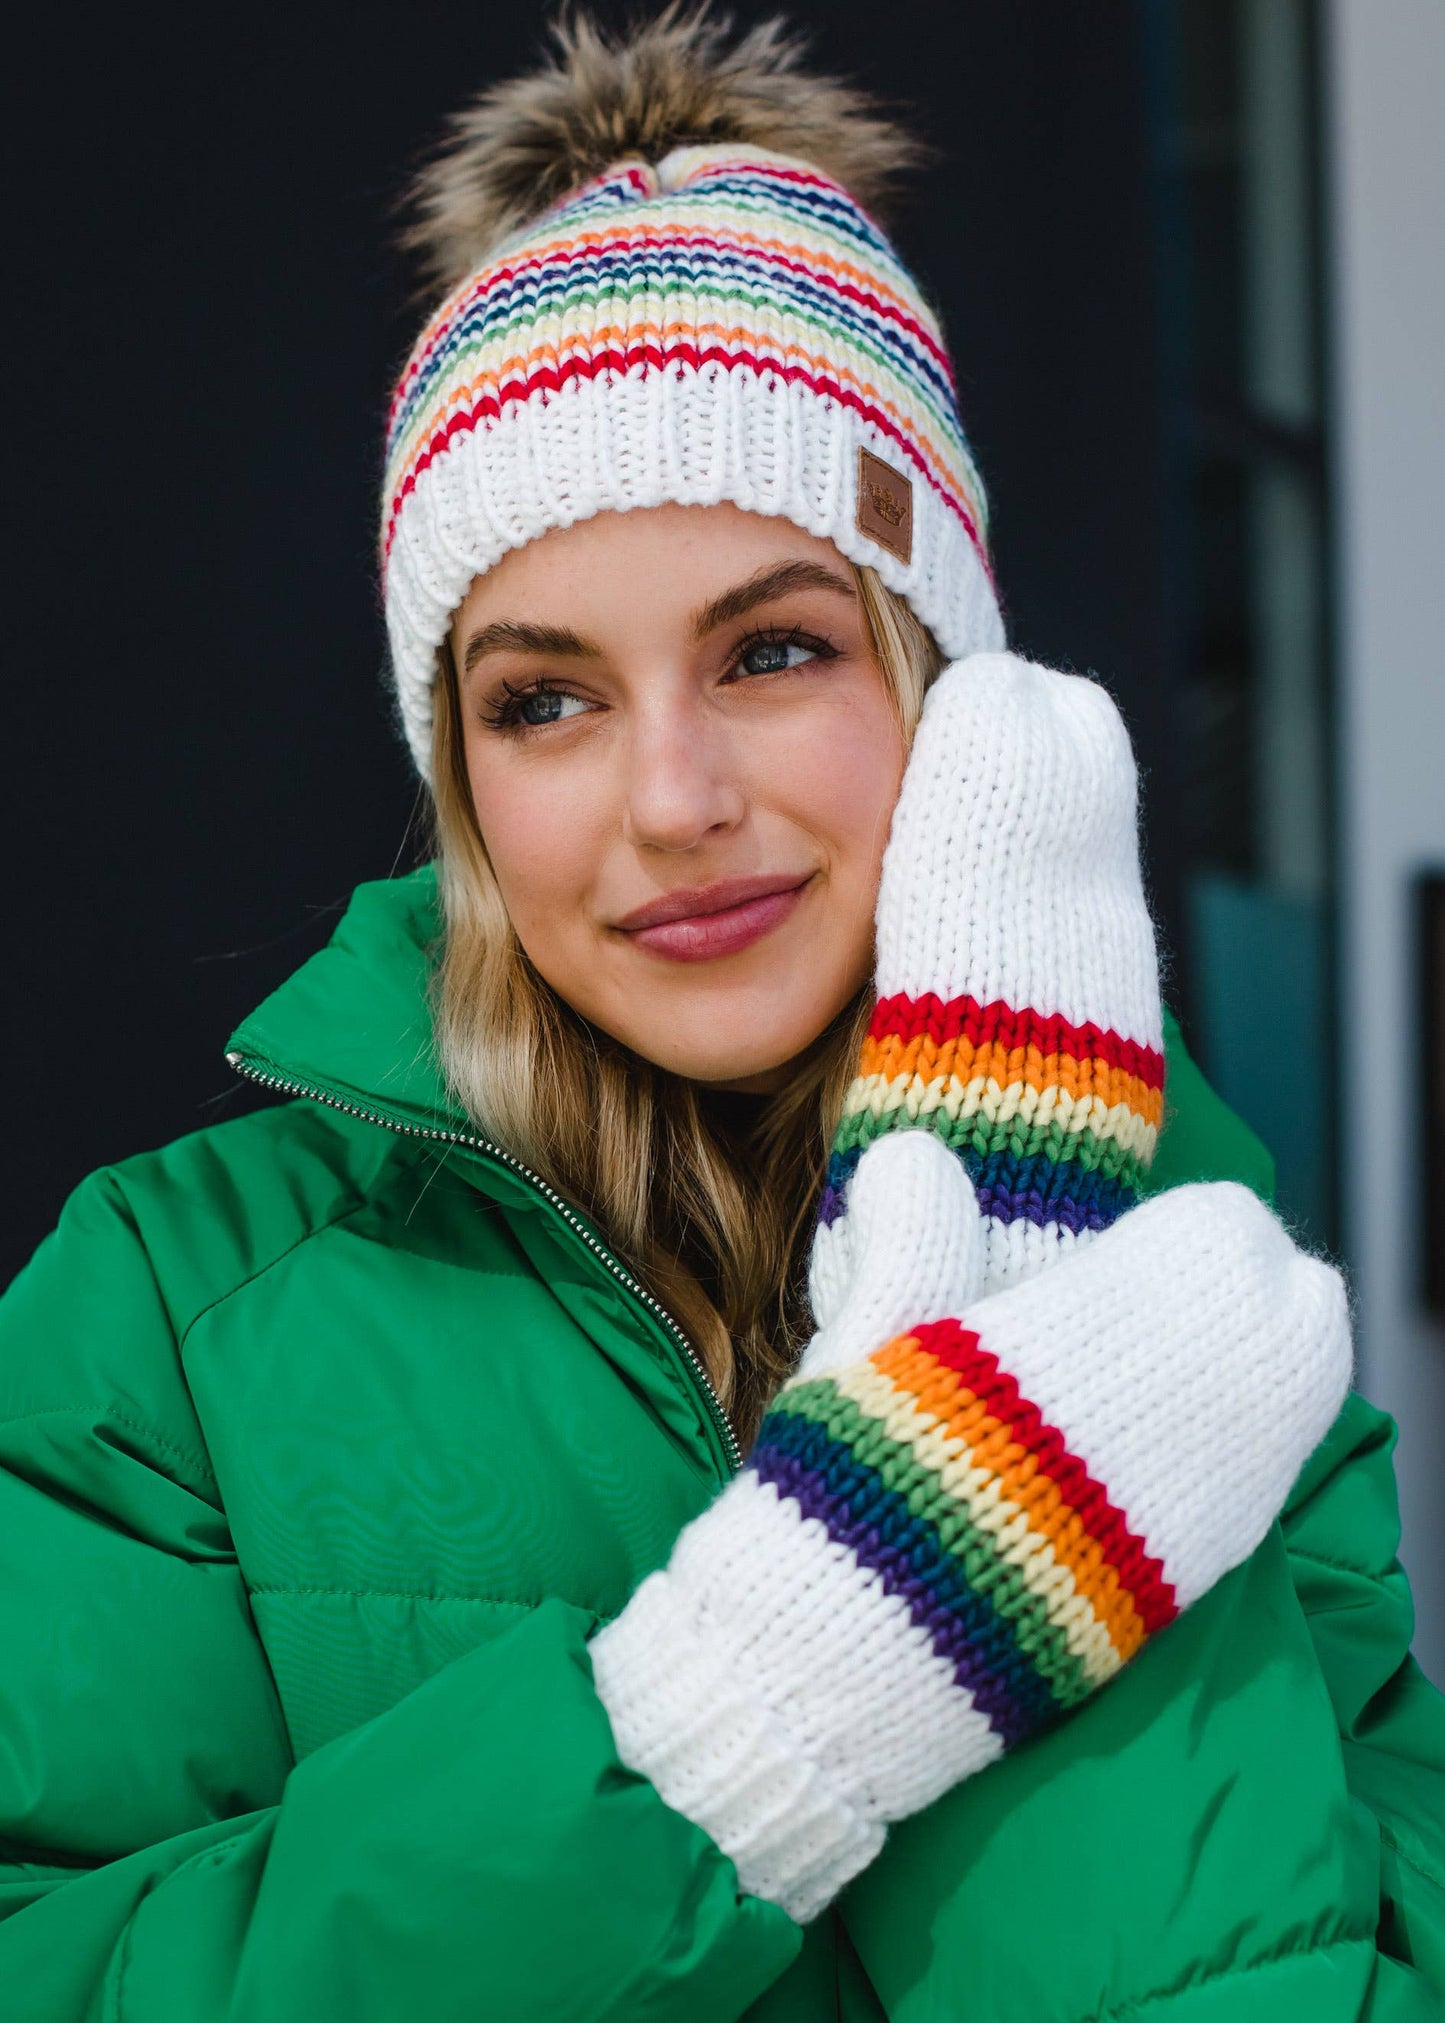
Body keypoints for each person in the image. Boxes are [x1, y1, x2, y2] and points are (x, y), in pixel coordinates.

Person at [4, 9, 1443, 2019]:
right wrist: (757, 1708)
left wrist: (1029, 1322)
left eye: (772, 648)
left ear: (949, 684)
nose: (672, 800)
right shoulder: (158, 1318)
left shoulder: (1186, 1287)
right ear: (460, 770)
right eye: (549, 697)